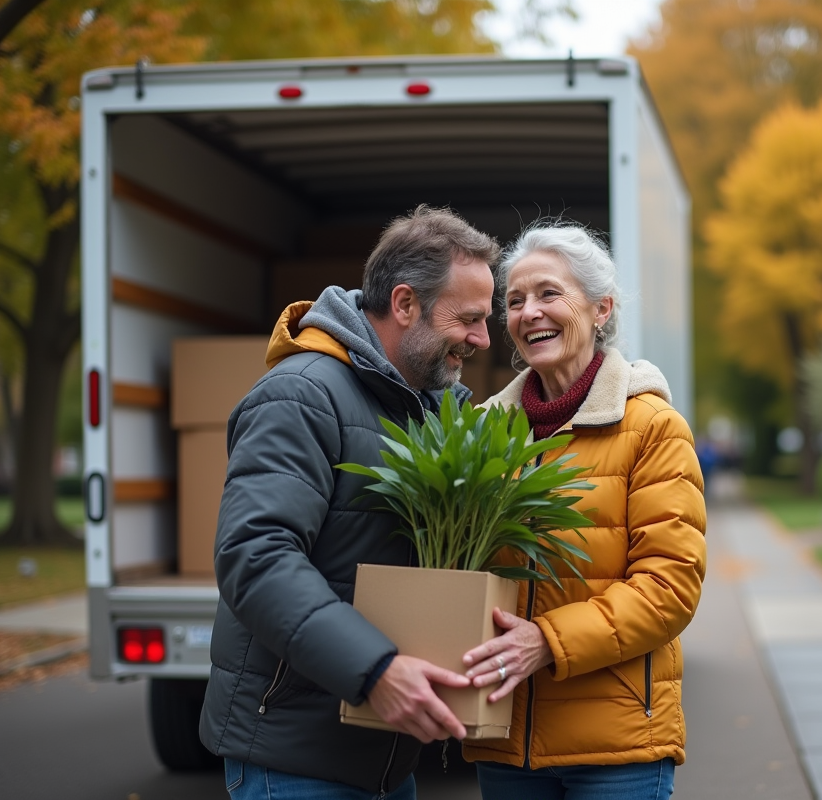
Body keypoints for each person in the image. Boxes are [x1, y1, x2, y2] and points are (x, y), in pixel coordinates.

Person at [199, 206, 499, 800]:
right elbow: (255, 556)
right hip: (297, 763)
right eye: (468, 319)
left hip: (384, 760)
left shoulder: (426, 409)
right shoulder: (301, 394)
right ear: (405, 303)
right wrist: (375, 670)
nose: (483, 339)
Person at [460, 223, 707, 799]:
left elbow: (670, 586)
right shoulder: (482, 433)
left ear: (602, 308)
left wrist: (547, 641)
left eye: (549, 293)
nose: (529, 313)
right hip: (505, 741)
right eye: (514, 301)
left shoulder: (651, 427)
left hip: (616, 747)